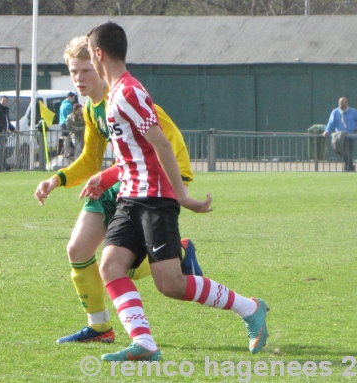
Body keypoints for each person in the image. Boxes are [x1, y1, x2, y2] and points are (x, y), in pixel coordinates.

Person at [81, 22, 268, 362]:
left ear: (98, 54)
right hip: (129, 198)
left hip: (154, 200)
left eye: (89, 58)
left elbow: (162, 145)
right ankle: (145, 343)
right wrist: (106, 178)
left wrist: (182, 196)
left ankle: (251, 308)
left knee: (171, 284)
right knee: (110, 265)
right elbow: (134, 154)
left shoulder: (128, 92)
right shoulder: (115, 95)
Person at [35, 35, 210, 346]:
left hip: (155, 178)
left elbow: (161, 150)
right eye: (73, 72)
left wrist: (177, 188)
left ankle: (178, 253)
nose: (78, 79)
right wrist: (56, 179)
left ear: (100, 62)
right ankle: (100, 327)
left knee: (115, 265)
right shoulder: (91, 109)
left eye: (85, 70)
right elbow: (90, 159)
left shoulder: (129, 97)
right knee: (78, 251)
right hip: (122, 176)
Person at [323, 97, 357, 172]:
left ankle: (348, 167)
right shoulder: (335, 112)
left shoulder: (353, 112)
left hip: (350, 137)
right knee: (341, 153)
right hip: (340, 137)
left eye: (343, 102)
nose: (341, 104)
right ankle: (350, 166)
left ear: (346, 103)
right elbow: (331, 123)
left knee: (348, 153)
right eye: (340, 102)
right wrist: (327, 131)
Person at [0, 96, 16, 170]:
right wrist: (5, 129)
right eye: (3, 100)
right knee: (0, 148)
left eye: (6, 101)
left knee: (2, 148)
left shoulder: (6, 109)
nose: (5, 102)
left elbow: (7, 122)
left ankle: (1, 165)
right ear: (0, 100)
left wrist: (13, 129)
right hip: (0, 132)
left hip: (4, 132)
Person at [59, 91, 77, 156]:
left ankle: (64, 153)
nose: (73, 100)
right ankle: (68, 153)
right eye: (73, 98)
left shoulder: (62, 105)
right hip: (67, 124)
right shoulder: (69, 105)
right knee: (70, 139)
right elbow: (70, 116)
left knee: (66, 139)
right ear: (69, 97)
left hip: (62, 123)